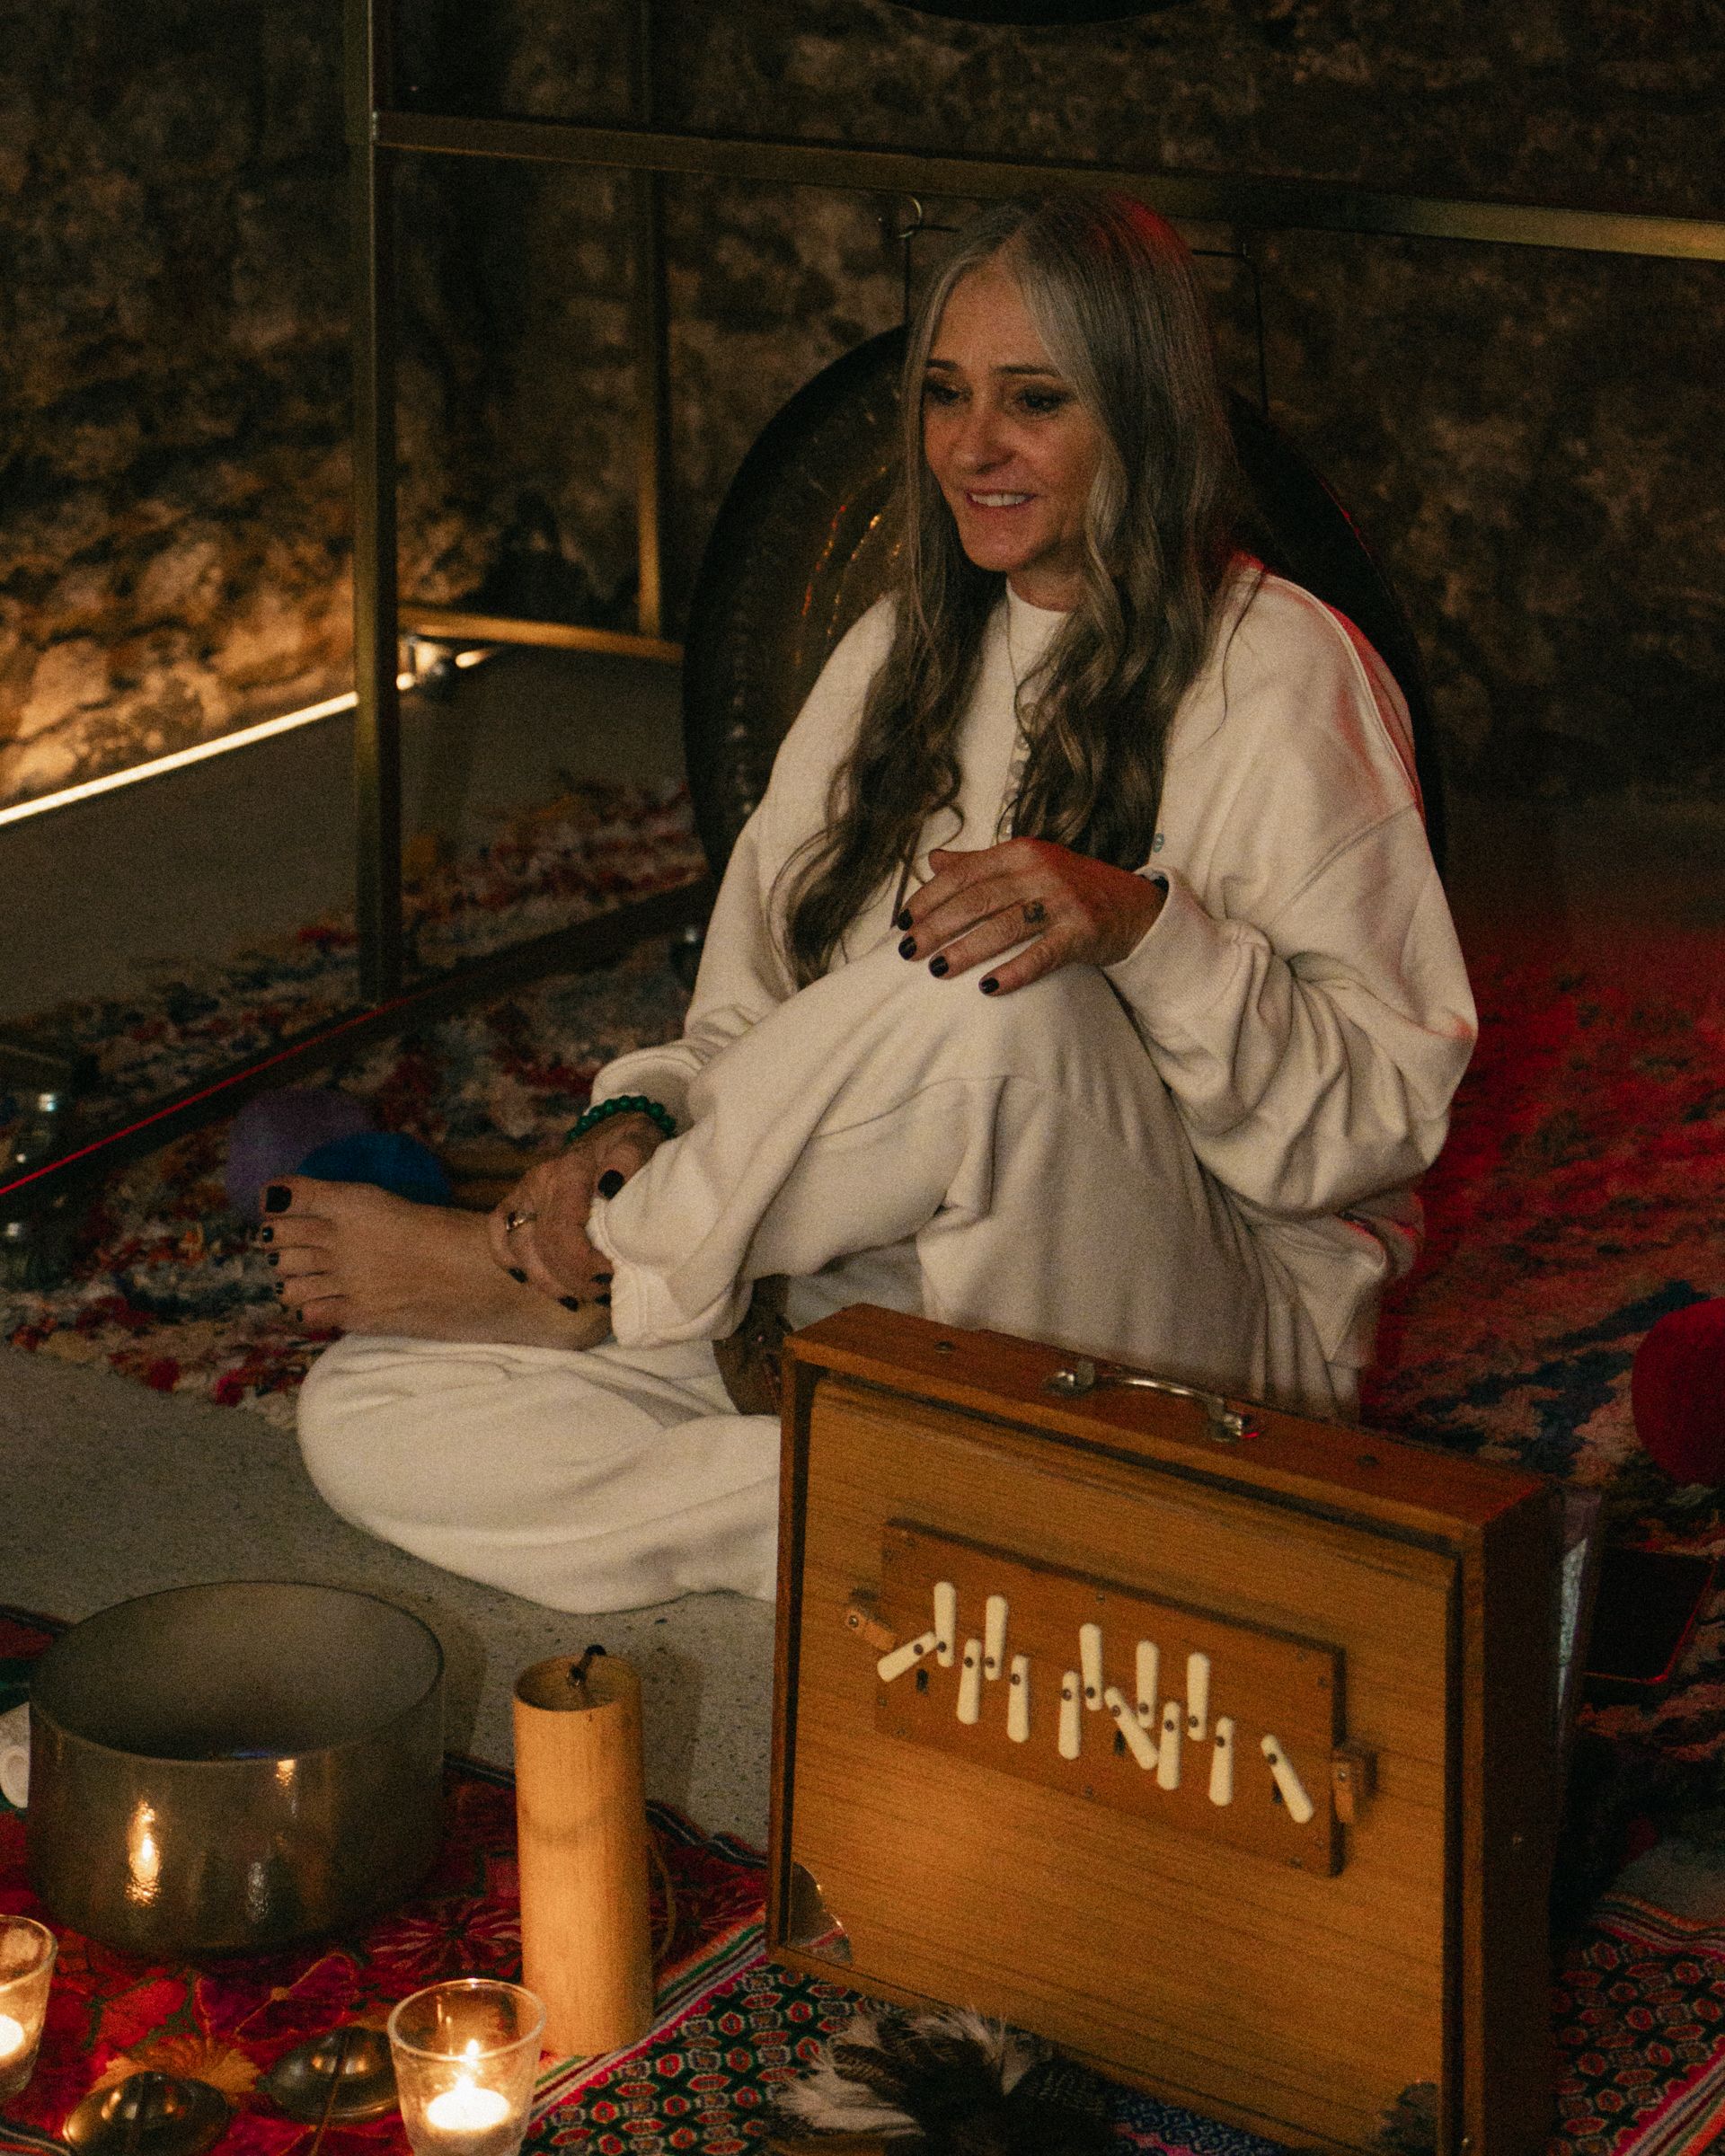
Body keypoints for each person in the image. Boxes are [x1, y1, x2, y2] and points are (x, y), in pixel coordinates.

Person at [274, 190, 1475, 1613]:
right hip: (863, 1295)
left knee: (998, 1000)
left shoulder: (1284, 672)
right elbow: (746, 1022)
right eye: (947, 395)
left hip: (1203, 1334)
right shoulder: (895, 651)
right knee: (367, 1414)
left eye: (1036, 400)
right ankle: (1001, 1521)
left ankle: (583, 1272)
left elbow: (1374, 1125)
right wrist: (634, 1119)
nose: (973, 446)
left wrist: (1145, 931)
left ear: (1143, 416)